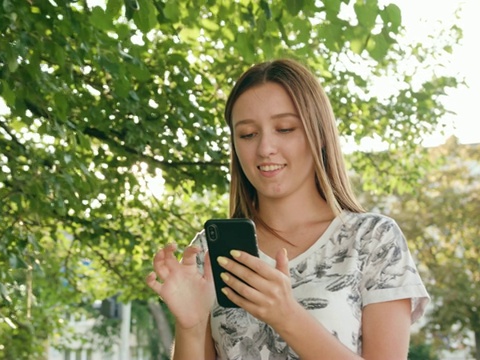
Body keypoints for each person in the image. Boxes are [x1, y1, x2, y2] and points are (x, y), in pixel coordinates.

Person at [145, 58, 429, 360]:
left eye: (284, 128)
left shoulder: (374, 240)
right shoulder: (209, 250)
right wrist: (190, 326)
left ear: (318, 134)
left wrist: (287, 316)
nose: (265, 147)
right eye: (247, 134)